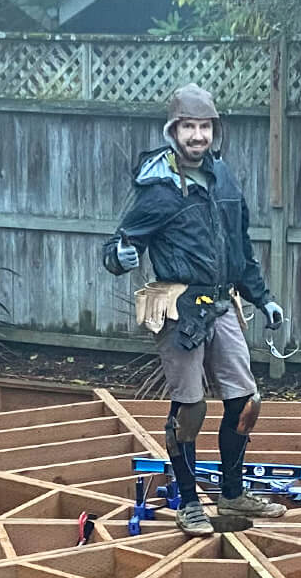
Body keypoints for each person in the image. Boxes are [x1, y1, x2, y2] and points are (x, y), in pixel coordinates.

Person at [102, 83, 287, 536]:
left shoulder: (224, 178)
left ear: (214, 131)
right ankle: (188, 502)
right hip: (179, 310)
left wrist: (263, 298)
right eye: (189, 127)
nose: (197, 136)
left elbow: (239, 246)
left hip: (222, 301)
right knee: (190, 409)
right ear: (173, 130)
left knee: (246, 401)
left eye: (204, 127)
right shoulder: (157, 187)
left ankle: (231, 493)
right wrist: (119, 258)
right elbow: (119, 244)